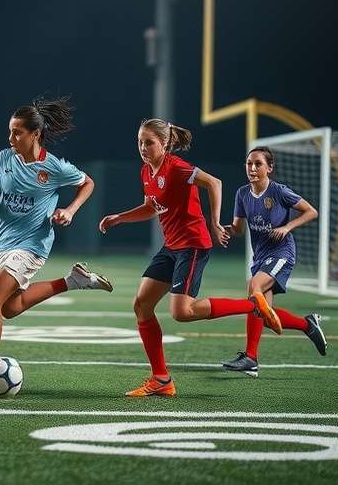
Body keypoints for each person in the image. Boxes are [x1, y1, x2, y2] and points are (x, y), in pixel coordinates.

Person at [98, 118, 283, 398]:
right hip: (171, 246)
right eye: (140, 142)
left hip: (193, 245)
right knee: (142, 305)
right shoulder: (147, 171)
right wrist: (120, 218)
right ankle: (161, 379)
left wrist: (214, 221)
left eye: (149, 142)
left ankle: (251, 306)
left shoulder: (177, 167)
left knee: (181, 312)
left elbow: (214, 182)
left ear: (164, 143)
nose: (143, 147)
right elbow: (152, 207)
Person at [0, 97, 112, 405]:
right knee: (10, 308)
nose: (11, 139)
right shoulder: (3, 159)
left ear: (34, 134)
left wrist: (71, 210)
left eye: (17, 133)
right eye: (10, 132)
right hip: (3, 245)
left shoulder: (54, 167)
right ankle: (73, 282)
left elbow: (87, 183)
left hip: (32, 246)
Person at [221, 146, 326, 376]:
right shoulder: (242, 194)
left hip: (281, 253)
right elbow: (238, 229)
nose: (252, 168)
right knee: (265, 315)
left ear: (269, 168)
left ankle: (250, 358)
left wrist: (287, 227)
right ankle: (308, 325)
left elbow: (311, 211)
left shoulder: (279, 192)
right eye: (249, 163)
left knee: (254, 287)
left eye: (258, 164)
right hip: (261, 257)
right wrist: (221, 230)